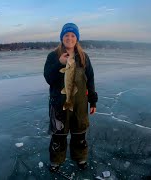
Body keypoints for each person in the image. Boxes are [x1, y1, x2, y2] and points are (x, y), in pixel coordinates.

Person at [43, 22, 98, 172]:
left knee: (79, 133)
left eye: (73, 35)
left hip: (80, 103)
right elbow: (48, 78)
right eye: (66, 35)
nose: (69, 38)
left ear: (77, 38)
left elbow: (90, 79)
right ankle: (56, 160)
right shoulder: (53, 56)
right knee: (58, 135)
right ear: (62, 37)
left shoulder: (83, 57)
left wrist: (93, 100)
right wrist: (58, 63)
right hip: (58, 103)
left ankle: (80, 158)